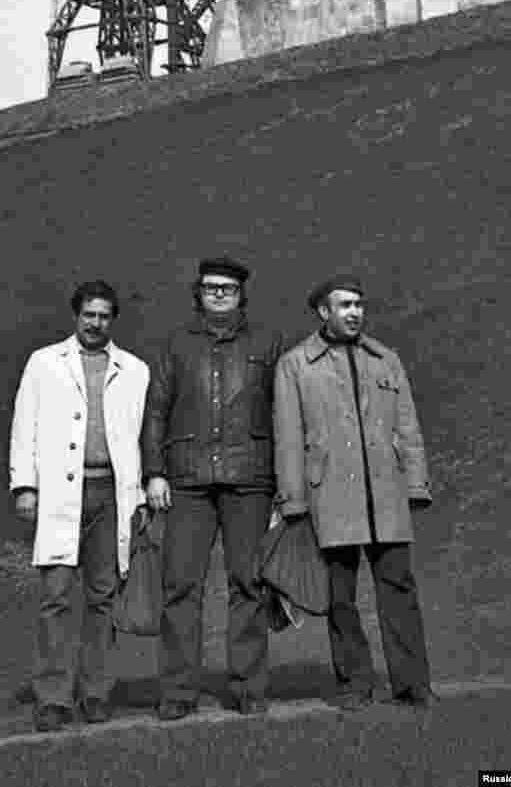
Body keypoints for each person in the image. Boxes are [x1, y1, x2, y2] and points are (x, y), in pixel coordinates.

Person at [273, 275, 434, 710]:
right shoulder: (295, 366)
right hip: (330, 498)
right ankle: (355, 683)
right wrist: (293, 500)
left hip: (387, 495)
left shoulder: (386, 360)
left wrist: (416, 483)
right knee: (340, 597)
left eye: (359, 304)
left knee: (399, 588)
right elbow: (288, 438)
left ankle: (413, 682)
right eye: (344, 305)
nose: (354, 312)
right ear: (323, 312)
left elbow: (408, 426)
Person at [141, 257, 283, 719]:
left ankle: (247, 688)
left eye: (227, 287)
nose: (218, 294)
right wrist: (154, 472)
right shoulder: (177, 344)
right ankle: (179, 692)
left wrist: (286, 484)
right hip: (187, 481)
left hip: (251, 480)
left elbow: (284, 414)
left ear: (242, 293)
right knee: (181, 585)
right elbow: (156, 410)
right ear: (198, 293)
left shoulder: (268, 342)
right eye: (209, 287)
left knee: (249, 584)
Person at [9, 280, 149, 732]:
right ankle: (52, 698)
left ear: (113, 320)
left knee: (103, 598)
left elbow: (141, 438)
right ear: (76, 316)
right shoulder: (44, 363)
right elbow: (23, 426)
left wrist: (141, 495)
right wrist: (24, 487)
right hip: (60, 496)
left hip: (112, 494)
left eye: (104, 316)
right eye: (89, 315)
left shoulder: (134, 370)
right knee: (56, 598)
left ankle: (95, 692)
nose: (96, 323)